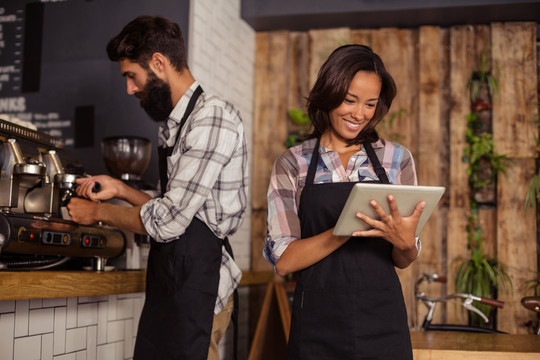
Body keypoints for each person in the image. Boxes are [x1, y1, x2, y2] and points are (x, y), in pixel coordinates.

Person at [67, 15, 248, 360]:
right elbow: (173, 205)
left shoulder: (211, 117)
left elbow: (168, 221)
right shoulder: (174, 125)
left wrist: (97, 213)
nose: (130, 89)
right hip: (174, 282)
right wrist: (119, 189)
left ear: (159, 63)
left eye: (131, 76)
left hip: (200, 285)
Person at [263, 44, 425, 359]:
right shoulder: (292, 163)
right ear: (329, 91)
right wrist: (347, 227)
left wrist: (405, 243)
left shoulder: (396, 159)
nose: (359, 114)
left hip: (382, 322)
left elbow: (404, 258)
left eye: (370, 104)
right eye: (349, 100)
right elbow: (284, 261)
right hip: (316, 325)